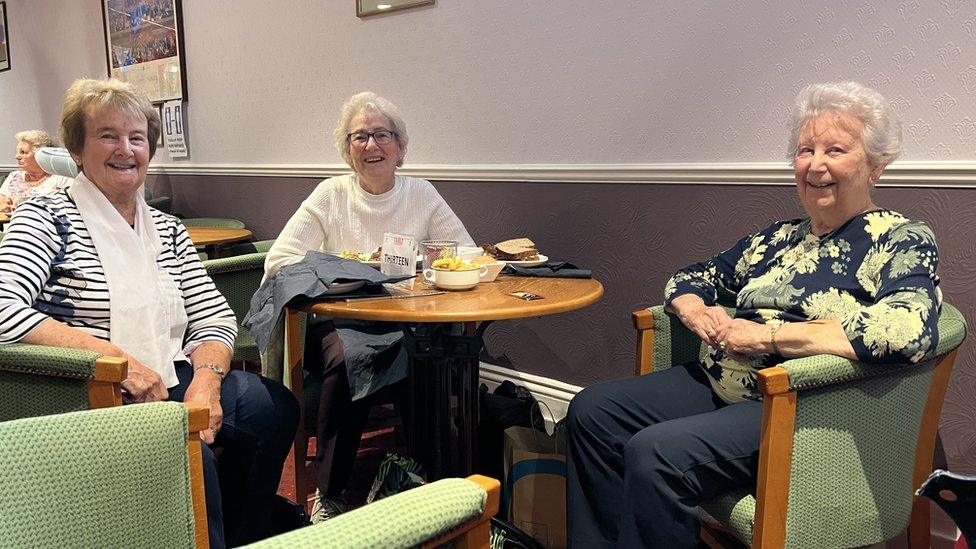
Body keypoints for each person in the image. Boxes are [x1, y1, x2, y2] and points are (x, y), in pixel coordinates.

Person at [566, 81, 941, 548]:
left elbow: (908, 331)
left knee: (656, 452)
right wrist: (695, 309)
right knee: (591, 412)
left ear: (876, 165)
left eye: (836, 149)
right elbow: (692, 276)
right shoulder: (778, 237)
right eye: (806, 150)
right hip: (722, 380)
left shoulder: (899, 239)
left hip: (798, 403)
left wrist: (768, 337)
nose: (816, 164)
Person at [0, 78, 299, 548]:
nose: (125, 149)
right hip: (85, 387)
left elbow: (214, 316)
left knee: (272, 408)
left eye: (136, 138)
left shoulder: (167, 227)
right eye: (107, 135)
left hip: (169, 373)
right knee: (182, 451)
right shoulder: (45, 216)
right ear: (77, 148)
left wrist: (206, 380)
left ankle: (245, 535)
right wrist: (118, 361)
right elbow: (3, 308)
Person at [264, 91, 474, 523]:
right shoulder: (329, 195)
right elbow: (280, 260)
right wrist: (341, 275)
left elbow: (467, 253)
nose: (371, 145)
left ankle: (429, 478)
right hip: (343, 317)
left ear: (400, 147)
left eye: (382, 135)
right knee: (349, 358)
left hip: (409, 317)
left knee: (426, 353)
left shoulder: (422, 194)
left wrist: (426, 267)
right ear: (347, 150)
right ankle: (331, 490)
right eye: (359, 137)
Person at [0, 130, 73, 212]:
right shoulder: (14, 176)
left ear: (40, 155)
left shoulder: (61, 178)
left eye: (23, 152)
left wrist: (21, 203)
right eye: (17, 152)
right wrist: (4, 206)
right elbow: (1, 200)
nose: (17, 156)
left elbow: (66, 206)